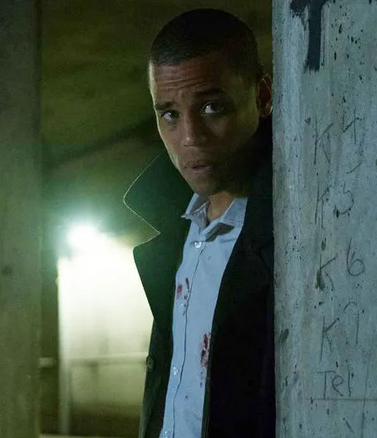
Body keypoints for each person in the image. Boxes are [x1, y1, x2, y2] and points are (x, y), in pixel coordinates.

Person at [124, 9, 274, 438]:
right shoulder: (177, 236)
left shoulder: (294, 240)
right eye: (169, 114)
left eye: (212, 106)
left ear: (263, 97)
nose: (190, 138)